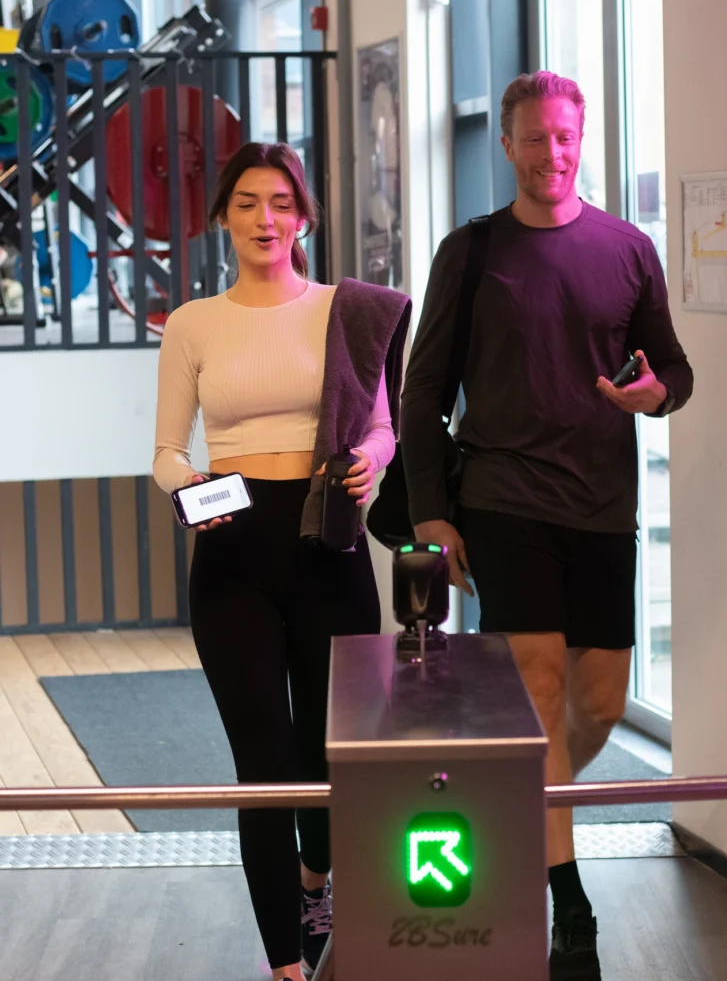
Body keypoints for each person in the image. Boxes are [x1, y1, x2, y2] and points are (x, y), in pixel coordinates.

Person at [400, 71, 693, 980]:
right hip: (503, 498)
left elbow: (674, 369)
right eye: (534, 138)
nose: (551, 154)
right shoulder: (471, 251)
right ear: (507, 145)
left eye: (564, 138)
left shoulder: (628, 249)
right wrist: (432, 510)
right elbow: (423, 389)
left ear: (581, 139)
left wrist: (656, 394)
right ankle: (570, 904)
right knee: (537, 682)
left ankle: (521, 799)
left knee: (597, 703)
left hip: (603, 504)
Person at [153, 142, 410, 981]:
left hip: (327, 541)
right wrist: (188, 483)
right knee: (263, 764)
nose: (265, 219)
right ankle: (285, 964)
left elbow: (382, 425)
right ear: (222, 217)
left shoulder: (346, 311)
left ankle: (315, 880)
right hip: (232, 552)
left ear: (303, 217)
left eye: (281, 203)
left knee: (332, 754)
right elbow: (164, 452)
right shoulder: (193, 323)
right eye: (247, 203)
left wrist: (370, 457)